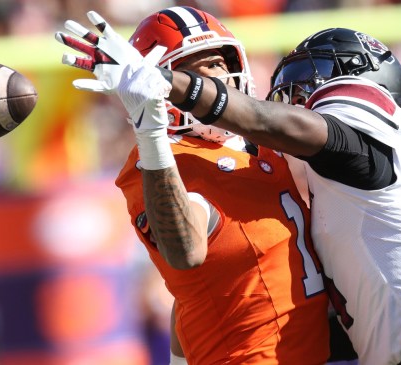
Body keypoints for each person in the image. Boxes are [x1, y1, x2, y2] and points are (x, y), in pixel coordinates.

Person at [57, 17, 401, 364]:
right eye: (200, 67)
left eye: (219, 64)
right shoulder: (279, 168)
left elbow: (292, 125)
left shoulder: (359, 124)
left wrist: (173, 87)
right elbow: (201, 283)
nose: (219, 77)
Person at [55, 6, 331, 365]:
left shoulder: (266, 144)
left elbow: (200, 291)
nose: (215, 78)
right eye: (190, 68)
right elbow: (186, 253)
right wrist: (150, 131)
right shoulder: (160, 161)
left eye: (218, 62)